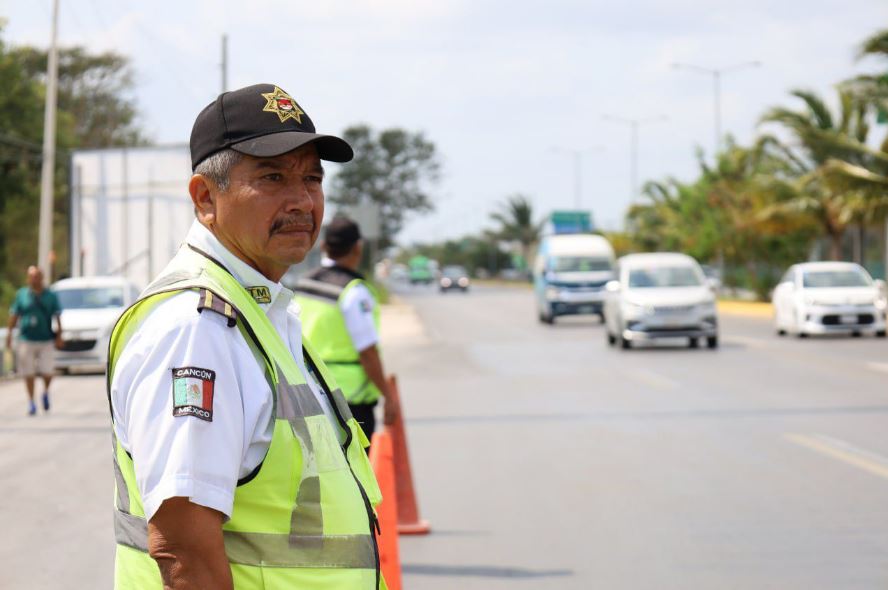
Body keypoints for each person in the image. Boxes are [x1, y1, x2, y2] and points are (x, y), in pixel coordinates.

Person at [108, 83, 385, 589]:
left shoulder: (263, 310)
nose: (302, 200)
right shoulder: (196, 330)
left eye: (312, 178)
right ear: (205, 198)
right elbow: (184, 551)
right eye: (273, 177)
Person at [294, 217, 399, 445]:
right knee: (354, 476)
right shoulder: (353, 292)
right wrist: (388, 397)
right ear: (357, 248)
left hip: (309, 395)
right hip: (350, 401)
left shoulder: (304, 285)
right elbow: (367, 351)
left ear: (323, 247)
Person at [5, 265, 62, 415]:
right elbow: (14, 315)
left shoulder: (50, 296)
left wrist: (59, 335)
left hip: (46, 339)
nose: (33, 279)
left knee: (47, 371)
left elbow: (57, 316)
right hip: (26, 338)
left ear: (41, 278)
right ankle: (31, 401)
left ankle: (45, 392)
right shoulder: (22, 295)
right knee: (28, 372)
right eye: (31, 276)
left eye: (36, 276)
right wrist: (9, 334)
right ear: (28, 278)